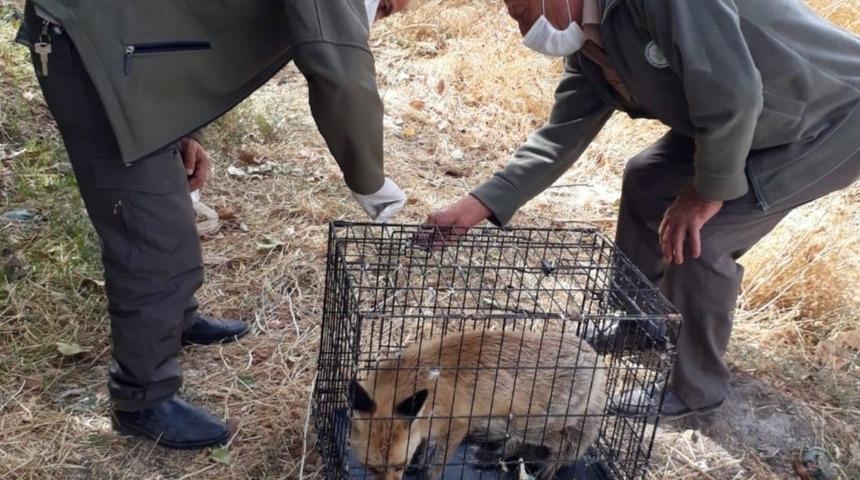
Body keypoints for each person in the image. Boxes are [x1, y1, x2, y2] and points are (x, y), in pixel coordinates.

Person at [428, 0, 860, 421]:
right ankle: (638, 321)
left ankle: (695, 391)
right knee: (647, 179)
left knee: (704, 239)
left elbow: (732, 91)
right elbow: (562, 134)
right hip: (748, 117)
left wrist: (706, 192)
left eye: (522, 15)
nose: (525, 33)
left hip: (829, 116)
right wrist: (479, 204)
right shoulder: (590, 46)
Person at [15, 0, 409, 449]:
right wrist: (370, 181)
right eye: (383, 11)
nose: (374, 20)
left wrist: (183, 132)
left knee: (168, 200)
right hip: (90, 45)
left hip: (130, 49)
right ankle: (142, 397)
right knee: (153, 233)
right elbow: (338, 66)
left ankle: (171, 322)